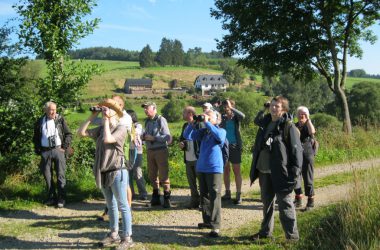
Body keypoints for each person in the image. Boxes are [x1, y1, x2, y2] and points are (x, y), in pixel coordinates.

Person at [78, 97, 134, 249]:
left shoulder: (122, 129)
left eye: (108, 109)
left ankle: (127, 237)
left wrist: (106, 120)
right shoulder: (102, 128)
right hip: (104, 171)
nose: (105, 111)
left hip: (117, 170)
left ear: (115, 114)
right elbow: (81, 132)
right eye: (104, 108)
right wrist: (93, 116)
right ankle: (114, 234)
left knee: (123, 205)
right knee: (111, 205)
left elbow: (108, 139)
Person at [249, 96, 302, 241]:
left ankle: (292, 237)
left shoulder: (288, 127)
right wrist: (263, 108)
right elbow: (256, 120)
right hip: (264, 169)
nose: (273, 108)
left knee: (285, 205)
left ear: (283, 109)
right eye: (271, 105)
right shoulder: (265, 123)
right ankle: (265, 233)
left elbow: (296, 152)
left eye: (277, 106)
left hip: (281, 173)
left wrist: (295, 174)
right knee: (266, 204)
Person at [183, 109, 226, 238]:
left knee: (214, 196)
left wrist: (207, 123)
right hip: (202, 168)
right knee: (204, 196)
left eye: (209, 115)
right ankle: (207, 221)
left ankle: (215, 226)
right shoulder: (204, 132)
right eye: (205, 114)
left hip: (214, 169)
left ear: (217, 119)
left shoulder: (221, 131)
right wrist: (192, 123)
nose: (206, 116)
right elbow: (188, 136)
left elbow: (219, 137)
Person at [33, 101, 72, 208]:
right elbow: (36, 137)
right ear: (45, 110)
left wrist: (64, 147)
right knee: (47, 176)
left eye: (55, 109)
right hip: (45, 151)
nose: (53, 112)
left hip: (58, 150)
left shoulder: (60, 119)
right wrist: (38, 149)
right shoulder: (40, 121)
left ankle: (61, 198)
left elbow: (68, 134)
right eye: (51, 110)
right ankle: (51, 198)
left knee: (60, 175)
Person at [141, 102, 172, 208]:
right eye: (144, 109)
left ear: (154, 109)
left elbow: (167, 137)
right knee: (152, 175)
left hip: (161, 150)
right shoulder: (147, 122)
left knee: (164, 175)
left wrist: (154, 138)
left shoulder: (161, 120)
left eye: (147, 108)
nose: (145, 110)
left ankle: (167, 198)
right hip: (150, 150)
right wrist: (143, 137)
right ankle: (156, 196)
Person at [220, 99, 245, 204]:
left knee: (236, 171)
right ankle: (227, 192)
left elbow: (243, 116)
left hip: (234, 146)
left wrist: (231, 108)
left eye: (228, 106)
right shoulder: (223, 118)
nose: (226, 108)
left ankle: (239, 194)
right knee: (226, 171)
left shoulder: (236, 118)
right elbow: (213, 113)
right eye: (225, 106)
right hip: (224, 146)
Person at [293, 106, 316, 210]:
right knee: (295, 177)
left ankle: (310, 201)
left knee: (308, 178)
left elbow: (312, 132)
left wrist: (308, 120)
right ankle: (298, 198)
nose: (301, 116)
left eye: (304, 114)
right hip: (297, 155)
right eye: (299, 114)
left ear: (307, 115)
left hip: (307, 154)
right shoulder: (295, 125)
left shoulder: (308, 125)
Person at [179, 106, 200, 209]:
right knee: (191, 182)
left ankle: (203, 202)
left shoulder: (198, 124)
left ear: (190, 114)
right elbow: (181, 138)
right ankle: (194, 201)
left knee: (201, 181)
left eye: (184, 112)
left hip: (198, 157)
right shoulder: (185, 125)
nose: (183, 114)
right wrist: (181, 143)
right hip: (188, 157)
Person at [126, 109, 148, 201]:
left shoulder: (138, 125)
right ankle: (131, 194)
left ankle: (143, 193)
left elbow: (137, 133)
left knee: (137, 172)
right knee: (128, 174)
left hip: (137, 151)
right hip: (127, 152)